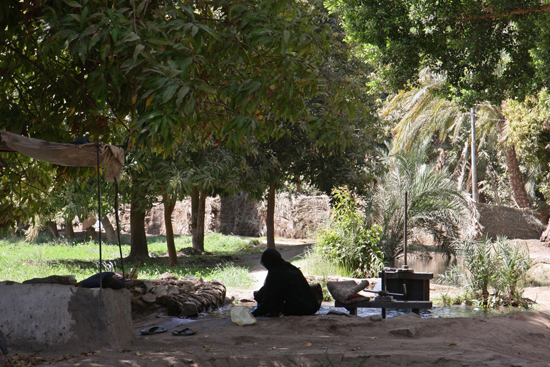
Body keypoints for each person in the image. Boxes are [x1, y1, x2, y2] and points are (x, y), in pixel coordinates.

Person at [252, 248, 320, 317]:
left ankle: (274, 314)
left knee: (264, 293)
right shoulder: (291, 268)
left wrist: (253, 314)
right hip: (313, 306)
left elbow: (268, 300)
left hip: (301, 309)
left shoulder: (276, 273)